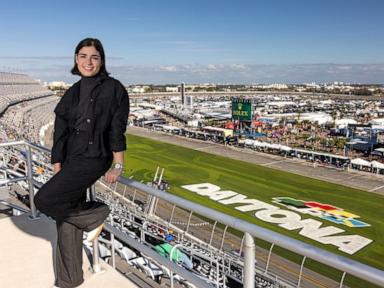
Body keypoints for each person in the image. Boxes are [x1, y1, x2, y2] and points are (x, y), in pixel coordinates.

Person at [34, 37, 129, 288]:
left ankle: (96, 215)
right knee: (64, 220)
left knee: (43, 199)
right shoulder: (72, 91)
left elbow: (117, 129)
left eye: (94, 57)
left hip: (95, 157)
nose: (89, 62)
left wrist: (118, 164)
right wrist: (57, 161)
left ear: (102, 61)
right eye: (83, 56)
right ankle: (69, 280)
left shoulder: (114, 88)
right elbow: (61, 129)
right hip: (70, 159)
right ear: (76, 59)